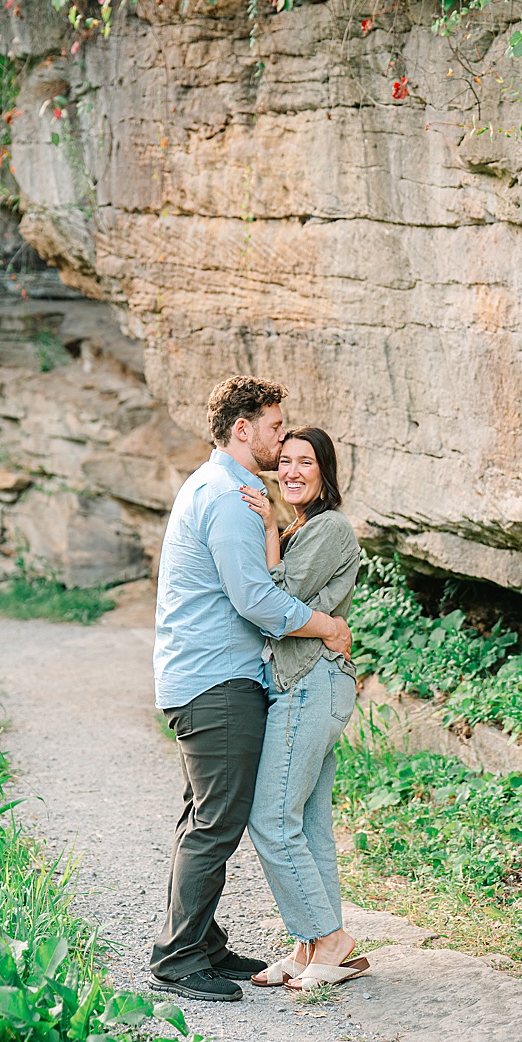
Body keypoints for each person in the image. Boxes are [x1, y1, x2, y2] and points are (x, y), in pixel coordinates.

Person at [148, 376, 354, 1002]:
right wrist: (327, 625)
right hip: (217, 680)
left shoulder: (218, 488)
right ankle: (179, 958)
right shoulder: (230, 496)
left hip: (208, 675)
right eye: (273, 426)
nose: (278, 436)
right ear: (244, 429)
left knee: (203, 816)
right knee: (217, 821)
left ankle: (203, 943)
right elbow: (257, 598)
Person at [239, 427, 367, 991]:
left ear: (325, 471)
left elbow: (273, 595)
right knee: (308, 825)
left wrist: (266, 525)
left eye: (305, 462)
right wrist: (275, 526)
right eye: (284, 461)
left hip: (313, 684)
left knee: (271, 818)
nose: (292, 470)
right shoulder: (302, 528)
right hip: (309, 681)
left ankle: (332, 941)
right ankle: (311, 943)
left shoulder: (329, 528)